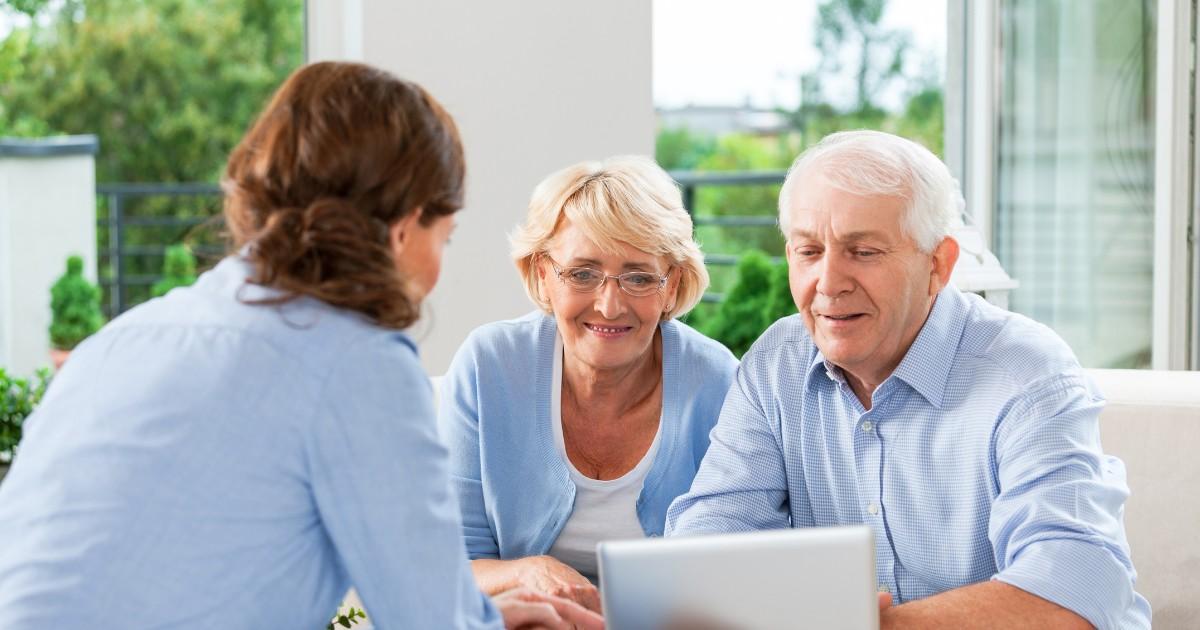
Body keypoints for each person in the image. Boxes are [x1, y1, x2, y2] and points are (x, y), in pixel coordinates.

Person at [0, 61, 601, 630]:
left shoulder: (123, 341)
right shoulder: (356, 363)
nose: (437, 268)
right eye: (443, 236)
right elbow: (428, 620)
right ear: (401, 228)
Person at [666, 130, 1151, 629]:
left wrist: (874, 625)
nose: (829, 283)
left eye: (864, 251)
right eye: (808, 251)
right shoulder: (778, 362)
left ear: (938, 264)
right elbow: (709, 538)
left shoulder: (1026, 374)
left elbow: (1076, 590)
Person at [439, 156, 737, 612]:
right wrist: (527, 570)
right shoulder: (488, 366)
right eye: (582, 273)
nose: (609, 304)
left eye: (638, 277)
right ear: (543, 274)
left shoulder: (717, 380)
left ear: (672, 284)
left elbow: (736, 566)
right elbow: (452, 563)